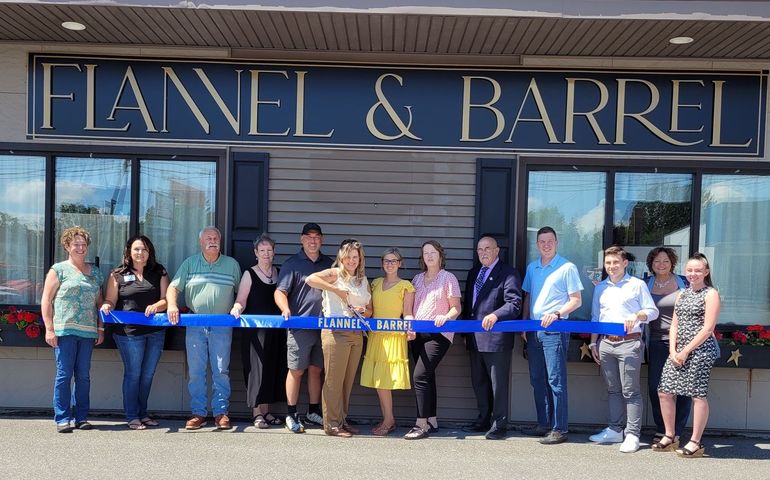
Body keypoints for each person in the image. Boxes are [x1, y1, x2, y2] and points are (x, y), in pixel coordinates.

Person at [166, 226, 241, 430]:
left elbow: (241, 293)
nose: (212, 240)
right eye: (208, 238)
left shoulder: (232, 265)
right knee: (197, 371)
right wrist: (172, 305)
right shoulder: (190, 263)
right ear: (201, 242)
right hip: (195, 323)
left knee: (221, 370)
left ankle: (221, 413)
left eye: (216, 237)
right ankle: (198, 413)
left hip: (222, 323)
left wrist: (238, 306)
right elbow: (173, 287)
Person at [589, 246, 659, 453]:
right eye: (608, 263)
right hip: (606, 344)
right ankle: (614, 429)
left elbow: (652, 311)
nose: (611, 267)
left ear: (625, 263)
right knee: (613, 390)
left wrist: (638, 315)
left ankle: (632, 434)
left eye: (615, 263)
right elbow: (595, 317)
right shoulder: (600, 287)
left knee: (631, 391)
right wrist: (594, 343)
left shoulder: (637, 285)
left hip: (630, 343)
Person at [521, 226, 583, 445]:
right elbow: (528, 297)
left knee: (555, 380)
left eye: (550, 241)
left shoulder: (567, 267)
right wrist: (524, 324)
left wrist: (557, 314)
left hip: (555, 330)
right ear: (537, 244)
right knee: (537, 379)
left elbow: (576, 300)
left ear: (556, 243)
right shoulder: (532, 267)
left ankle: (560, 428)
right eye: (542, 242)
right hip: (534, 330)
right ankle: (543, 424)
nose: (546, 245)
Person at [40, 226, 105, 433]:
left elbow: (100, 302)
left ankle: (81, 417)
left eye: (83, 244)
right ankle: (62, 418)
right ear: (67, 246)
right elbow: (46, 300)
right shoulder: (58, 270)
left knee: (84, 376)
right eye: (76, 244)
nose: (80, 247)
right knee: (64, 374)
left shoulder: (95, 272)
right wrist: (49, 329)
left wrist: (101, 328)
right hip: (64, 330)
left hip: (88, 331)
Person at [100, 235, 169, 430]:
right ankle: (132, 416)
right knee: (134, 374)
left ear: (150, 252)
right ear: (129, 252)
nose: (141, 253)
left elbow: (166, 299)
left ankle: (142, 413)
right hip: (128, 333)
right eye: (137, 249)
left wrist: (157, 306)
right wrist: (106, 306)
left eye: (145, 249)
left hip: (155, 332)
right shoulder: (117, 274)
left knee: (147, 374)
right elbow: (110, 300)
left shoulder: (159, 271)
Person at [656, 253, 720, 458]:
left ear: (706, 272)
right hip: (678, 351)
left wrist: (685, 351)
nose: (693, 274)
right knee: (665, 391)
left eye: (698, 270)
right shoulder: (682, 293)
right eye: (690, 270)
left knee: (697, 395)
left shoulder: (711, 294)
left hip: (700, 351)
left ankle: (695, 442)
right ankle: (670, 435)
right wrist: (673, 350)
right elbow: (674, 324)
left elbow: (708, 328)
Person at [306, 239, 373, 437]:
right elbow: (310, 279)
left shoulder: (363, 280)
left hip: (356, 334)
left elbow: (370, 310)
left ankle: (342, 419)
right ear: (341, 257)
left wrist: (364, 311)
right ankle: (332, 425)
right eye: (348, 256)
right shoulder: (335, 274)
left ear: (360, 259)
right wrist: (336, 290)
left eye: (355, 257)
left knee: (347, 381)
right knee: (333, 381)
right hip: (336, 333)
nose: (352, 260)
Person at [461, 235, 522, 440]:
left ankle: (499, 425)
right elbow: (470, 307)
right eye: (480, 249)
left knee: (498, 384)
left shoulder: (508, 273)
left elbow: (514, 304)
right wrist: (464, 334)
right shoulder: (473, 273)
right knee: (479, 383)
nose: (483, 252)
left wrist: (496, 315)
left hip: (496, 339)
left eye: (488, 248)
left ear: (497, 251)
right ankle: (483, 419)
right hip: (474, 338)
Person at [274, 222, 333, 433]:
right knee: (296, 370)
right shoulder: (292, 264)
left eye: (316, 236)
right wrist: (285, 308)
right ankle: (291, 414)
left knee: (317, 370)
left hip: (325, 327)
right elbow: (280, 292)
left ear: (322, 239)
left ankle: (313, 411)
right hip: (300, 326)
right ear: (301, 239)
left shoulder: (330, 263)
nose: (313, 240)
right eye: (308, 237)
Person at [404, 240, 461, 440]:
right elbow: (409, 308)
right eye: (425, 253)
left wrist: (446, 317)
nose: (429, 256)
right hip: (417, 334)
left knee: (419, 376)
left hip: (438, 335)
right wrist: (410, 328)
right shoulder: (417, 279)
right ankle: (432, 420)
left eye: (433, 252)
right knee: (427, 377)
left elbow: (456, 308)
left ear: (440, 255)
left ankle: (421, 424)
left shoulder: (448, 278)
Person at [230, 234, 287, 429]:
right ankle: (256, 413)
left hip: (276, 331)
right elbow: (241, 299)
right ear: (256, 253)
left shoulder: (279, 273)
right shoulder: (249, 274)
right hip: (254, 331)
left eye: (269, 250)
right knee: (257, 370)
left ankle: (266, 411)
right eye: (262, 250)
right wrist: (237, 307)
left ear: (274, 252)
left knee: (271, 368)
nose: (266, 254)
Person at [360, 247, 415, 436]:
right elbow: (369, 309)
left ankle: (389, 420)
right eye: (386, 261)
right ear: (382, 263)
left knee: (384, 380)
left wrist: (410, 328)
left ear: (400, 263)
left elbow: (408, 313)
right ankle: (388, 418)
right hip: (376, 335)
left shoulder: (406, 286)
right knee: (378, 380)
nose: (390, 264)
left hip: (393, 336)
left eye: (394, 261)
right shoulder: (375, 283)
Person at [645, 247, 691, 447]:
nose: (661, 265)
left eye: (665, 261)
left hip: (682, 343)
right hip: (655, 341)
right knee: (656, 386)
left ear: (672, 262)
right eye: (657, 261)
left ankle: (677, 431)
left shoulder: (685, 283)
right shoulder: (645, 283)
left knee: (681, 388)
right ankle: (663, 429)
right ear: (651, 264)